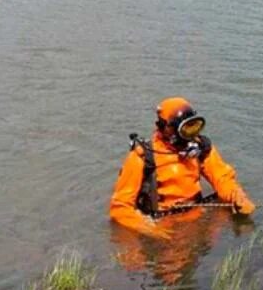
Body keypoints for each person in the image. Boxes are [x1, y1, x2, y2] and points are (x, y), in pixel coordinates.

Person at [109, 97, 255, 240]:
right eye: (186, 129)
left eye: (194, 127)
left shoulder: (201, 148)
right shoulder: (142, 157)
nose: (191, 136)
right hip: (164, 224)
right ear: (166, 128)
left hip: (197, 217)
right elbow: (120, 208)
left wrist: (237, 195)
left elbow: (222, 178)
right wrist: (150, 230)